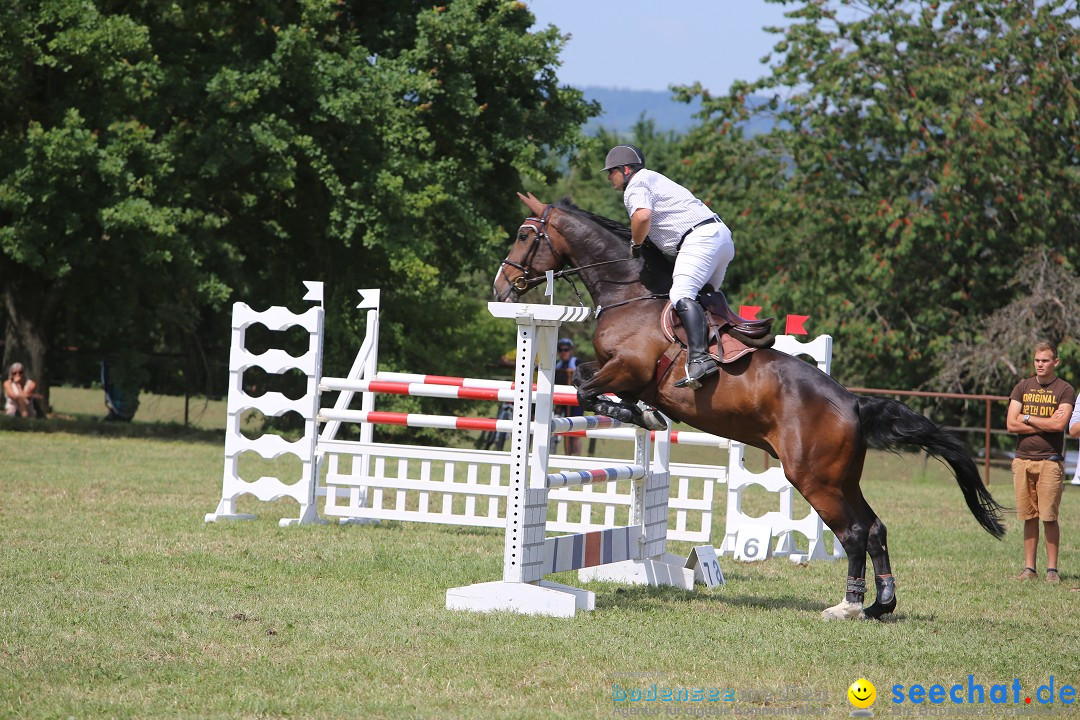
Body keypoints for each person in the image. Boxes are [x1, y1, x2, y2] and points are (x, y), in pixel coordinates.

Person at [604, 144, 735, 390]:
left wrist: (636, 243)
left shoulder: (636, 184)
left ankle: (699, 360)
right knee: (702, 300)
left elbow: (642, 217)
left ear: (626, 169)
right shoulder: (654, 179)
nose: (609, 176)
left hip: (699, 239)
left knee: (680, 295)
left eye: (611, 171)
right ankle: (722, 351)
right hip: (720, 237)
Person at [1005, 342, 1075, 584]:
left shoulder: (1064, 390)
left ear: (1055, 362)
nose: (1040, 364)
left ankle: (1052, 570)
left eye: (1045, 360)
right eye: (1037, 360)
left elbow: (1059, 425)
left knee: (1049, 517)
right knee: (1029, 516)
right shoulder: (1022, 386)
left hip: (1050, 461)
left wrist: (1025, 417)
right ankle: (1029, 568)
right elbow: (1010, 424)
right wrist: (1037, 420)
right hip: (1022, 461)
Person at [554, 338, 583, 456]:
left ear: (571, 351)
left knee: (575, 431)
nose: (563, 352)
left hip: (576, 401)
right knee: (564, 429)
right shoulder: (557, 364)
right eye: (560, 350)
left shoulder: (577, 362)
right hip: (562, 402)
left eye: (566, 349)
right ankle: (567, 455)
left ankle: (576, 457)